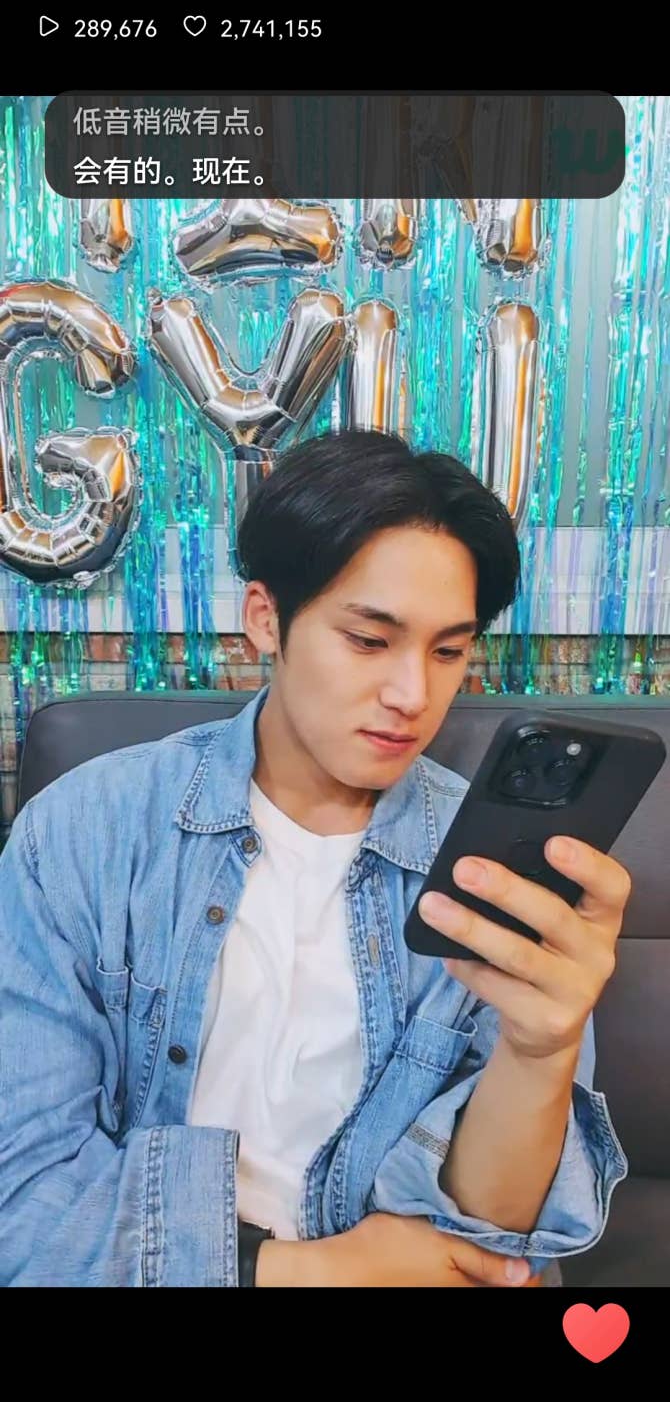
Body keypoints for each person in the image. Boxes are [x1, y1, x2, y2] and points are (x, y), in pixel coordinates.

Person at [0, 429, 628, 1287]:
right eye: (368, 639)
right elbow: (22, 1197)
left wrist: (543, 1049)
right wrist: (317, 1269)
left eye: (448, 650)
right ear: (266, 618)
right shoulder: (85, 830)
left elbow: (491, 1233)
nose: (414, 695)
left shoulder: (488, 865)